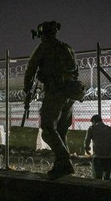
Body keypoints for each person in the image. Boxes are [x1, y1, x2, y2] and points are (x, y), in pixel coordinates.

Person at [23, 21, 79, 180]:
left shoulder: (43, 47)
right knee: (61, 131)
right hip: (69, 93)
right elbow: (75, 70)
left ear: (42, 34)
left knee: (47, 129)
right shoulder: (67, 47)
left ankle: (65, 161)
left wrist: (27, 90)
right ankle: (60, 167)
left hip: (55, 93)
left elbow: (30, 69)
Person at [84, 114, 111, 180]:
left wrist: (87, 149)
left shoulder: (92, 128)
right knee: (107, 179)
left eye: (92, 122)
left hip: (97, 157)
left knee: (97, 179)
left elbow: (87, 142)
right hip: (108, 158)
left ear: (94, 121)